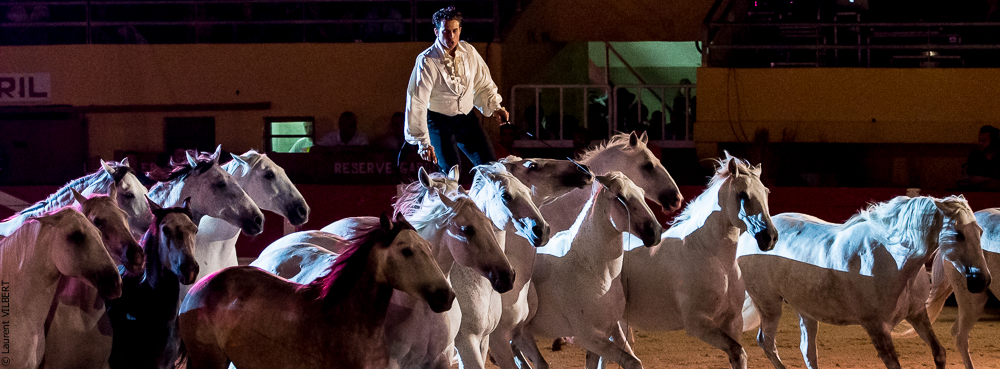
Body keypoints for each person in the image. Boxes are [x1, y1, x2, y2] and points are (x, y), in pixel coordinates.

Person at [404, 6, 509, 173]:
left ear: (460, 30)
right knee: (452, 172)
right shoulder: (427, 60)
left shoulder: (469, 51)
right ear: (436, 32)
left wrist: (495, 107)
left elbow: (482, 83)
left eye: (454, 30)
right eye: (446, 31)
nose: (451, 36)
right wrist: (423, 142)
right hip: (439, 122)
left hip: (466, 118)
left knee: (491, 167)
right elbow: (417, 101)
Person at [959, 125, 1000, 189]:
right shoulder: (975, 156)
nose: (980, 143)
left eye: (984, 141)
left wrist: (985, 180)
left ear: (994, 142)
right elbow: (970, 179)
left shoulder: (998, 157)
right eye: (979, 140)